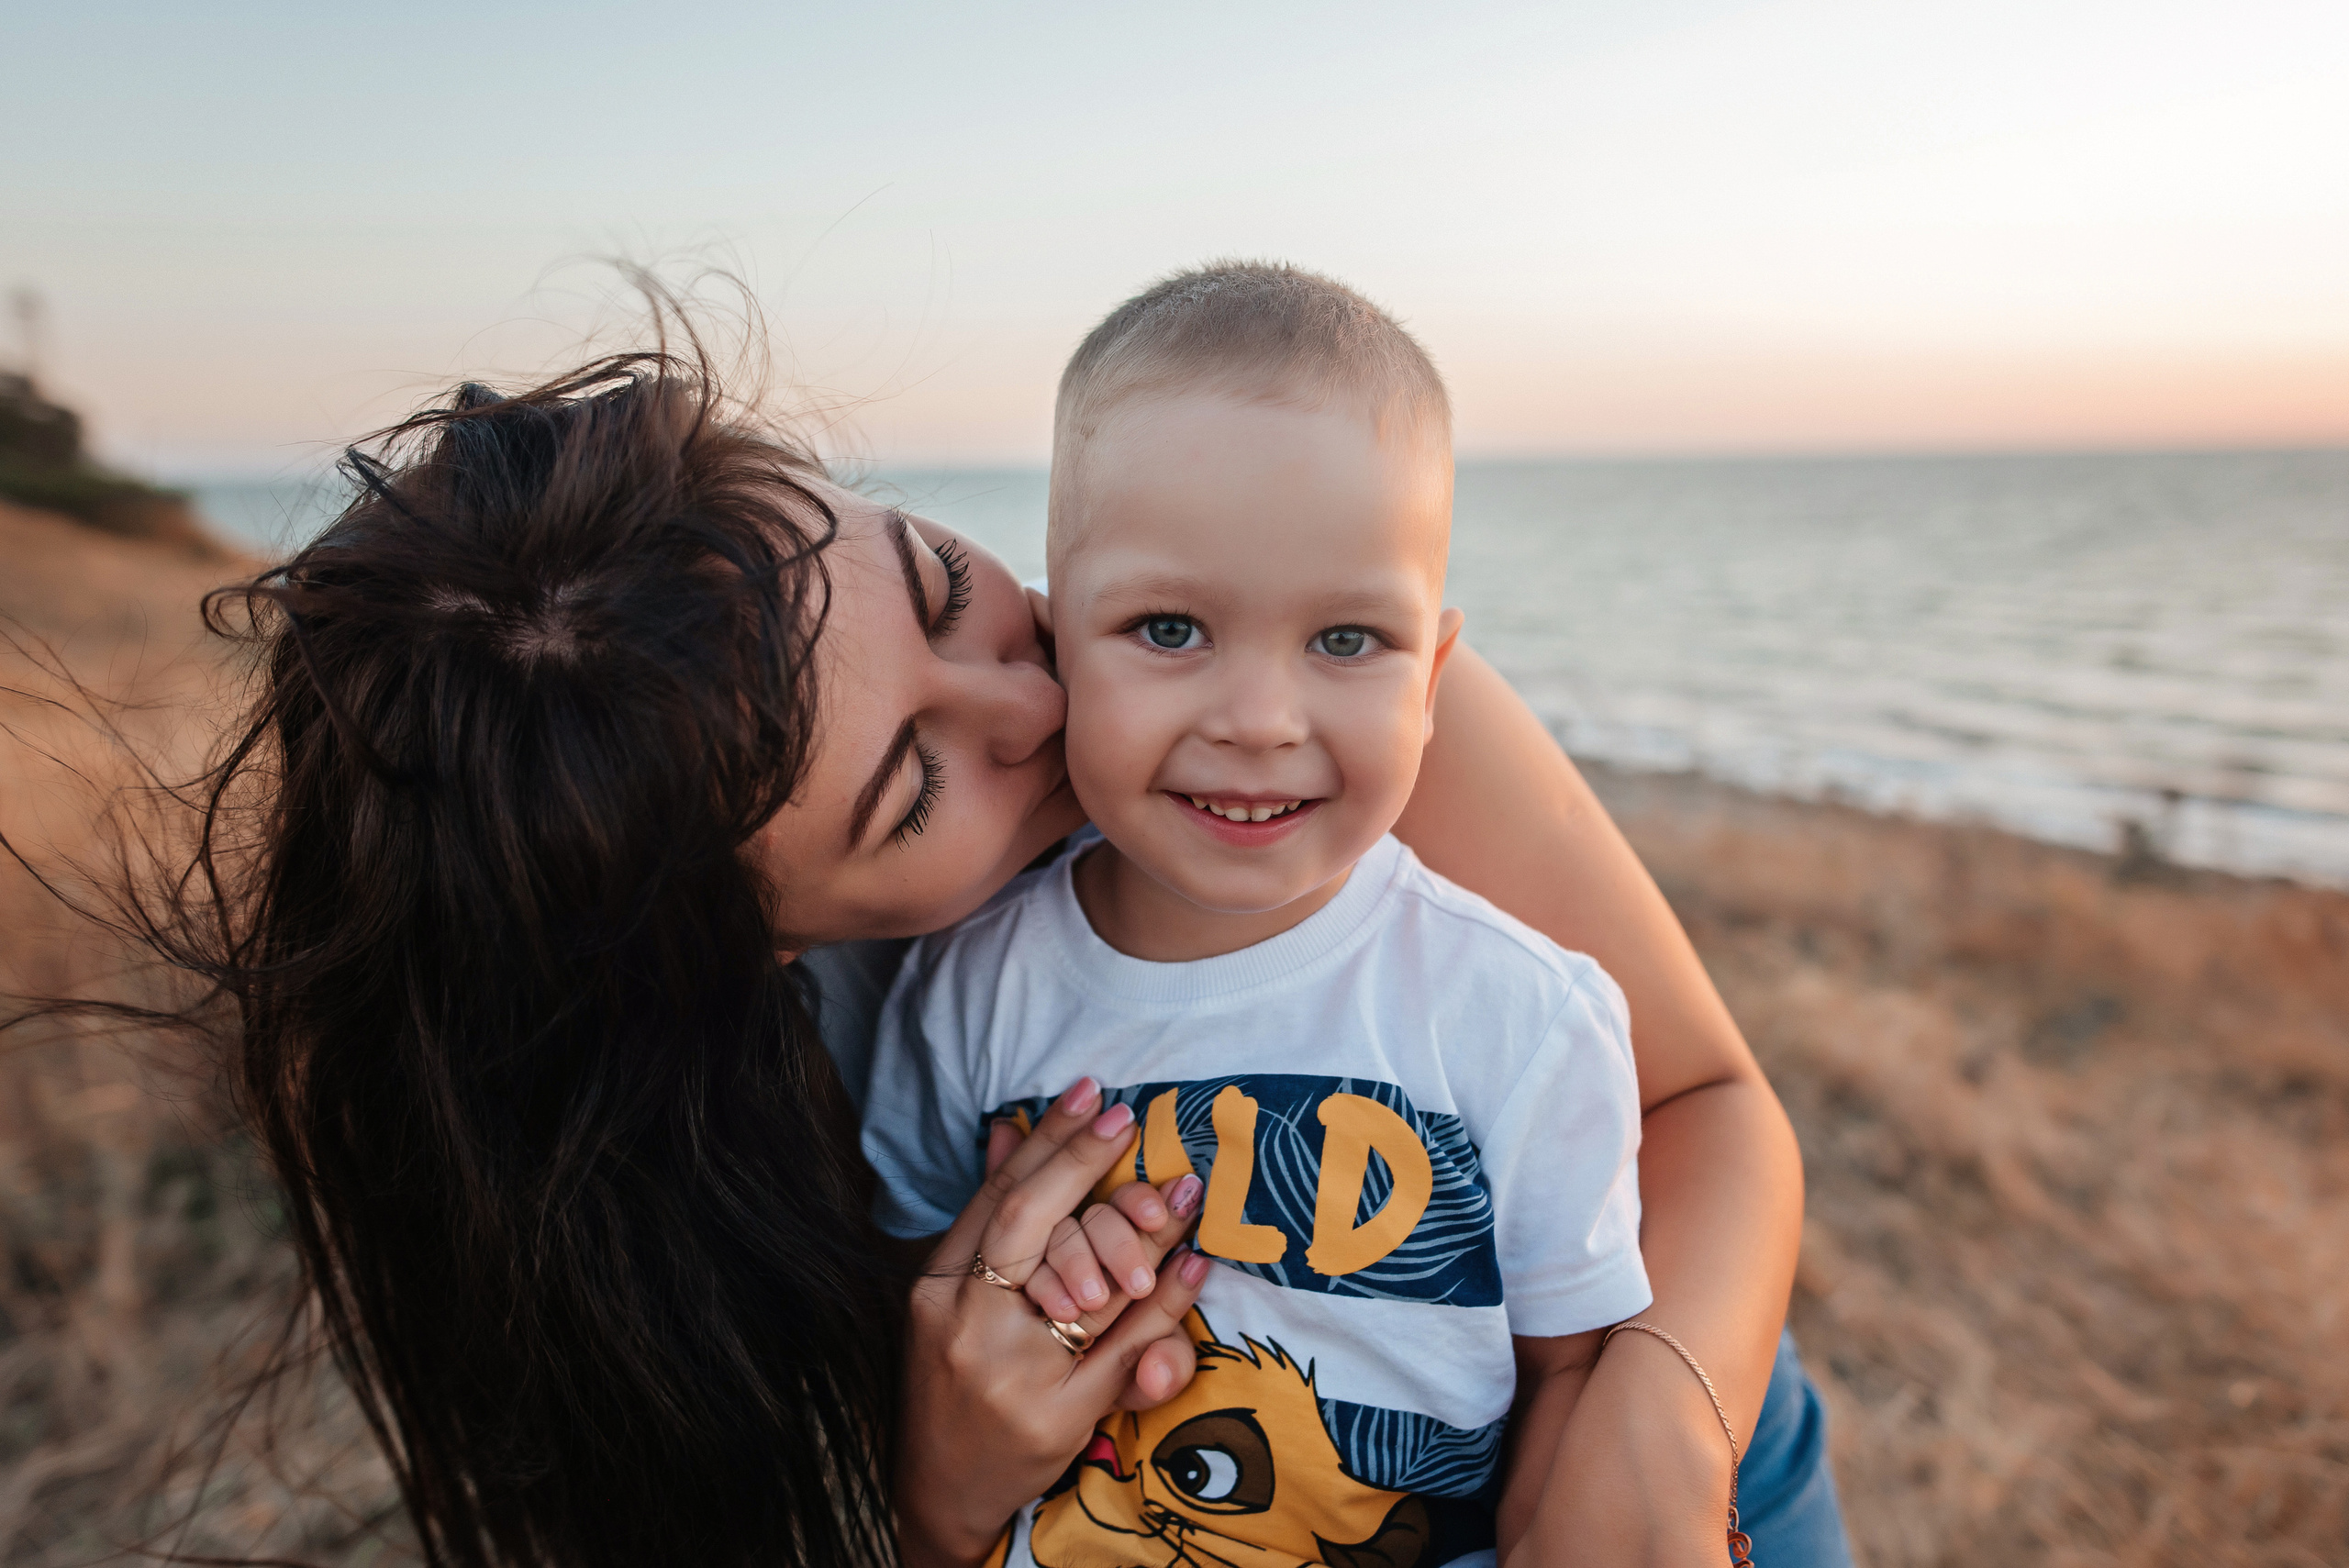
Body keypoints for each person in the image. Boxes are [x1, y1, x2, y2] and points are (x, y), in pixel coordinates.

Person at [124, 295, 1844, 1567]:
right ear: (775, 958)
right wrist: (945, 1486)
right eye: (911, 784)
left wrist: (1651, 1425)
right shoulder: (781, 1128)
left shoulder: (1304, 706)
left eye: (947, 591)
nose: (1035, 697)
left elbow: (1708, 1104)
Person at [862, 262, 1650, 1568]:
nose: (1261, 719)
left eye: (1348, 641)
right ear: (1061, 639)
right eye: (1170, 626)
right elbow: (914, 1315)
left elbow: (1574, 1376)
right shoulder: (968, 984)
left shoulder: (1521, 1015)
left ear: (1434, 675)